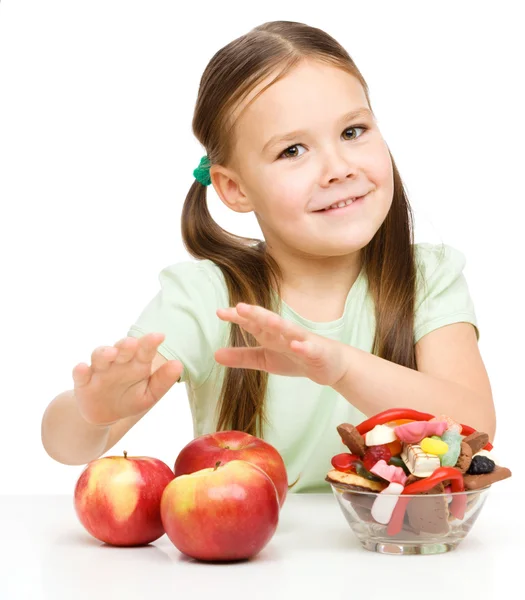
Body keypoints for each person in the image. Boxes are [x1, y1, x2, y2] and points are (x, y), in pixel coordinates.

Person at [41, 20, 496, 494]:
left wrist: (341, 367)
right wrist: (93, 412)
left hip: (396, 554)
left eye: (353, 130)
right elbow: (66, 446)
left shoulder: (428, 277)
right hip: (243, 562)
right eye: (293, 150)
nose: (338, 169)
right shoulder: (206, 298)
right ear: (235, 188)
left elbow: (475, 425)